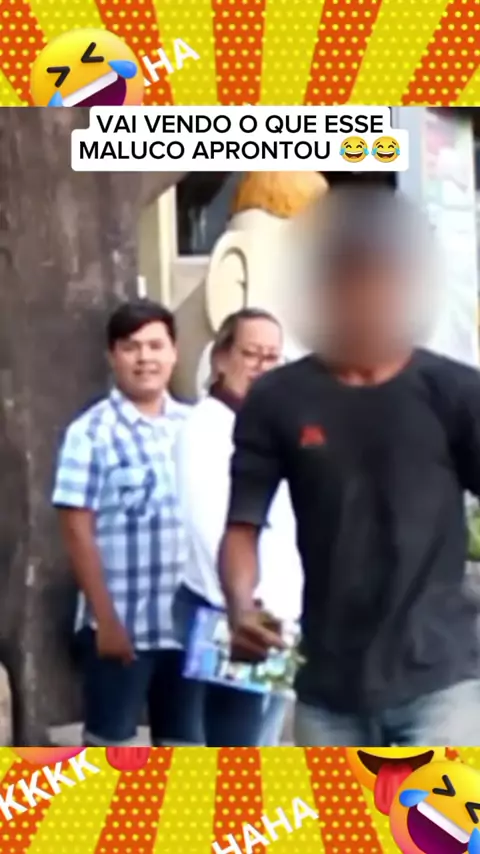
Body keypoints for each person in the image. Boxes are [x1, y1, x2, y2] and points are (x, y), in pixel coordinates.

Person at [219, 184, 480, 746]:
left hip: (441, 684)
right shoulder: (278, 400)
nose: (364, 297)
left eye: (379, 279)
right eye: (347, 280)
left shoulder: (455, 393)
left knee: (436, 809)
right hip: (328, 691)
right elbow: (241, 526)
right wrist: (241, 608)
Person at [52, 299, 196, 746]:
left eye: (155, 345)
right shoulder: (90, 433)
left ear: (174, 352)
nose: (144, 358)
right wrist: (106, 620)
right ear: (112, 356)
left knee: (188, 754)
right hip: (120, 630)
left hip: (188, 630)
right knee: (111, 754)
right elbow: (76, 530)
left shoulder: (196, 427)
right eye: (131, 347)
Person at [174, 308, 303, 746]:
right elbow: (208, 527)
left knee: (263, 741)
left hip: (280, 614)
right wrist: (247, 606)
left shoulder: (271, 426)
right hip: (234, 611)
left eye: (272, 357)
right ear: (221, 358)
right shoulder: (204, 429)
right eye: (251, 354)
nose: (262, 366)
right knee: (237, 747)